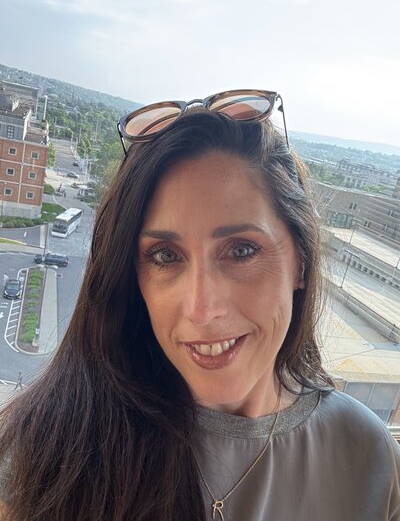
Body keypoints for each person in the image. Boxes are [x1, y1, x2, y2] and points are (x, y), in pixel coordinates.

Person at [0, 90, 399, 520]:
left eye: (241, 250)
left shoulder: (369, 459)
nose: (202, 309)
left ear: (301, 262)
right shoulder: (48, 454)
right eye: (165, 256)